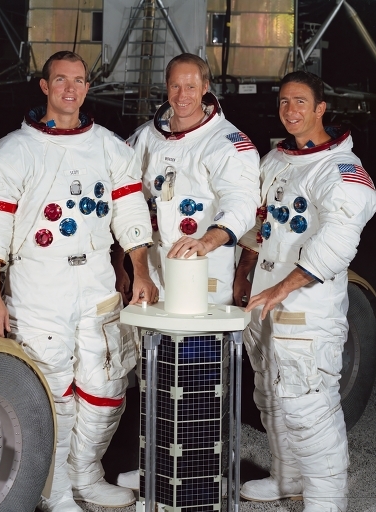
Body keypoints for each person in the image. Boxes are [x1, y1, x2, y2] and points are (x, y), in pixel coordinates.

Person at [0, 51, 158, 512]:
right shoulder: (13, 150)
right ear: (44, 86)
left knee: (108, 381)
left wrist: (140, 269)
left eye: (78, 81)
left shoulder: (110, 147)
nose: (70, 89)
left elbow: (131, 214)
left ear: (87, 87)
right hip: (40, 281)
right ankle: (52, 488)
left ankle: (86, 474)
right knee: (53, 388)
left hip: (94, 277)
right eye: (61, 80)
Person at [233, 71, 376, 512]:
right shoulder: (278, 158)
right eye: (283, 102)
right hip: (267, 298)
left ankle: (328, 499)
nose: (290, 110)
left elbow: (338, 242)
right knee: (270, 393)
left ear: (320, 108)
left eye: (300, 102)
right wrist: (245, 270)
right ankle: (288, 477)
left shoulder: (341, 170)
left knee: (307, 400)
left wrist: (283, 287)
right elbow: (263, 223)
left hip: (308, 304)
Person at [114, 53, 261, 489]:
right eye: (175, 87)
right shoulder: (146, 137)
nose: (182, 96)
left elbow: (241, 205)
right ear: (166, 87)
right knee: (156, 373)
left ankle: (201, 476)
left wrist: (208, 240)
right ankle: (158, 469)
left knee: (199, 376)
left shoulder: (229, 143)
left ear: (207, 88)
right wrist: (126, 263)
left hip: (203, 273)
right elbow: (125, 195)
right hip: (157, 273)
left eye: (191, 87)